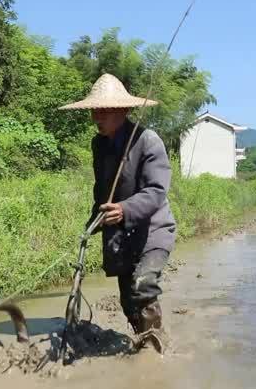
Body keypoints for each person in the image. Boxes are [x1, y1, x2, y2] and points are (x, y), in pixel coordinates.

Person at [59, 73, 176, 350]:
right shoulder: (98, 144)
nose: (97, 118)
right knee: (128, 301)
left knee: (143, 285)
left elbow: (156, 192)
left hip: (152, 229)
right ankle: (141, 340)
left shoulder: (148, 141)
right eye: (94, 111)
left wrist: (125, 209)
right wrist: (93, 223)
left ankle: (153, 352)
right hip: (119, 233)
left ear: (123, 110)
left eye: (104, 111)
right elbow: (102, 189)